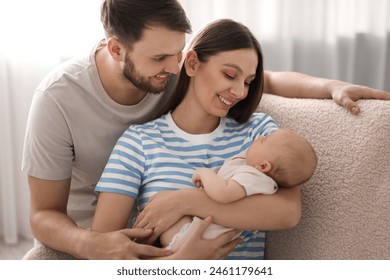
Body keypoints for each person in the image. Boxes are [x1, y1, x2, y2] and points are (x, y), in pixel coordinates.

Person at [22, 0, 390, 260]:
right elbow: (77, 229)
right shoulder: (112, 128)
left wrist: (330, 87)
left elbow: (286, 212)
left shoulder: (257, 132)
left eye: (179, 53)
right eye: (160, 59)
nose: (175, 66)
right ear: (116, 50)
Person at [92, 18, 316, 260]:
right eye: (229, 75)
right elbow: (103, 252)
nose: (240, 92)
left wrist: (184, 201)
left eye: (248, 82)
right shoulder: (139, 143)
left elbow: (288, 213)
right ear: (192, 64)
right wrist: (180, 263)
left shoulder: (258, 133)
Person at [159, 128, 317, 252]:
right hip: (201, 233)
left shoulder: (254, 177)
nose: (259, 137)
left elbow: (224, 193)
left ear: (263, 166)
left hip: (195, 238)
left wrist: (205, 173)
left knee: (163, 223)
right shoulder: (253, 173)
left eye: (264, 140)